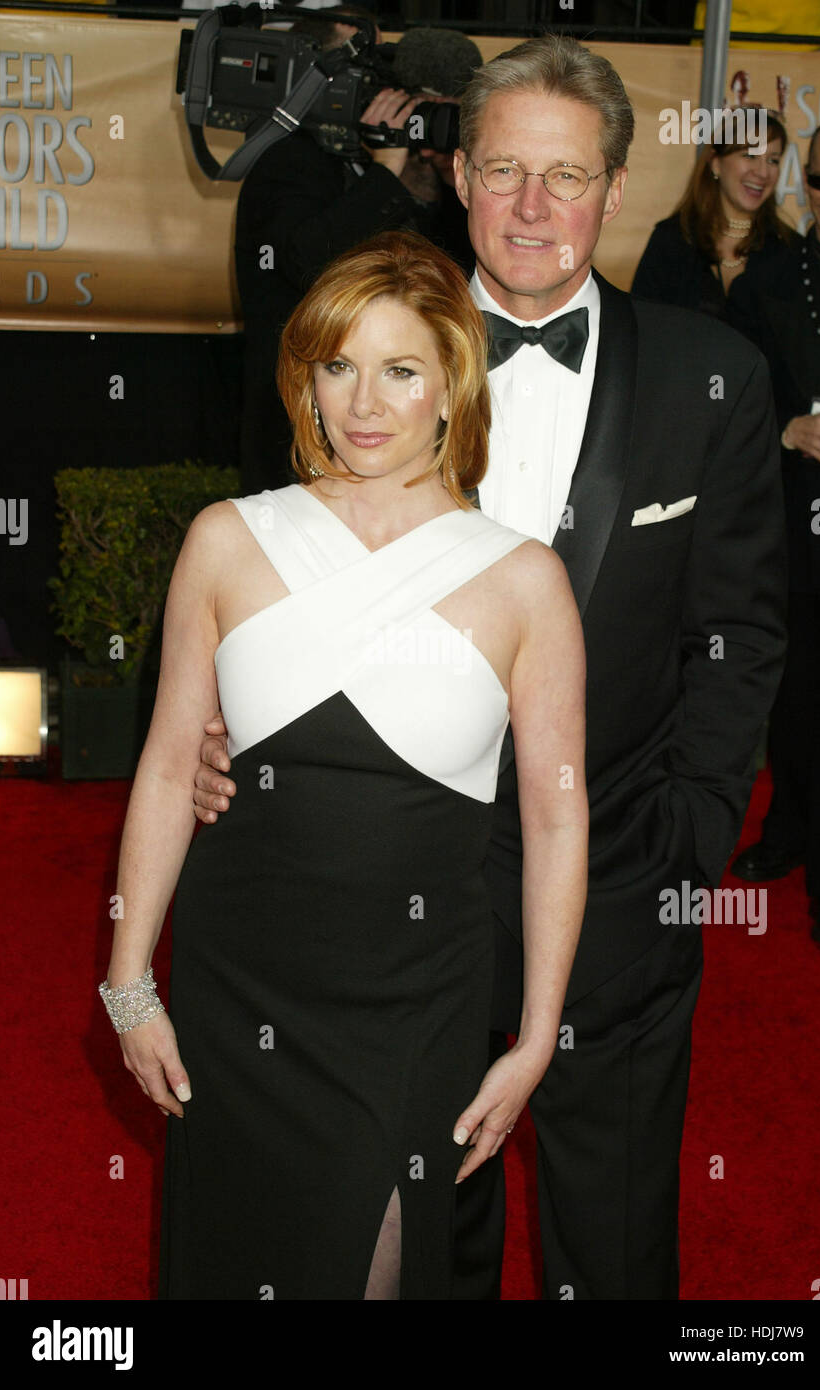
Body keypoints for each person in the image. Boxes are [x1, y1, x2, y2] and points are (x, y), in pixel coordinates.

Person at [194, 35, 787, 1300]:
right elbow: (271, 572)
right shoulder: (357, 353)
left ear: (614, 188)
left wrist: (682, 836)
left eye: (564, 176)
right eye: (504, 168)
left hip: (620, 868)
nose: (531, 206)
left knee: (612, 1227)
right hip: (390, 894)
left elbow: (737, 635)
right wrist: (220, 730)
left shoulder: (713, 379)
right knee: (411, 1225)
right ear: (457, 173)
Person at [99, 228, 589, 1300]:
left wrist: (537, 1031)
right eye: (338, 365)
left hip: (415, 1002)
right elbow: (168, 763)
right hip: (243, 989)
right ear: (304, 379)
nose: (363, 402)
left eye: (400, 370)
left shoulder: (520, 579)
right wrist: (130, 978)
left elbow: (556, 820)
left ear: (449, 386)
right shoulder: (228, 538)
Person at [235, 11, 478, 493]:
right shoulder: (293, 157)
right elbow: (307, 265)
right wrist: (388, 167)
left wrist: (450, 180)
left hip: (409, 457)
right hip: (303, 442)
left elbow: (452, 292)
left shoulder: (442, 183)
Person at [727, 116, 820, 945]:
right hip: (793, 520)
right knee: (797, 691)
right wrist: (786, 430)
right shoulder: (763, 280)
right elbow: (724, 405)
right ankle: (790, 832)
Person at [631, 107, 792, 314]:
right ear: (716, 163)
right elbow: (641, 326)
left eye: (773, 160)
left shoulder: (787, 249)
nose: (762, 172)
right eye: (750, 155)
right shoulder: (672, 240)